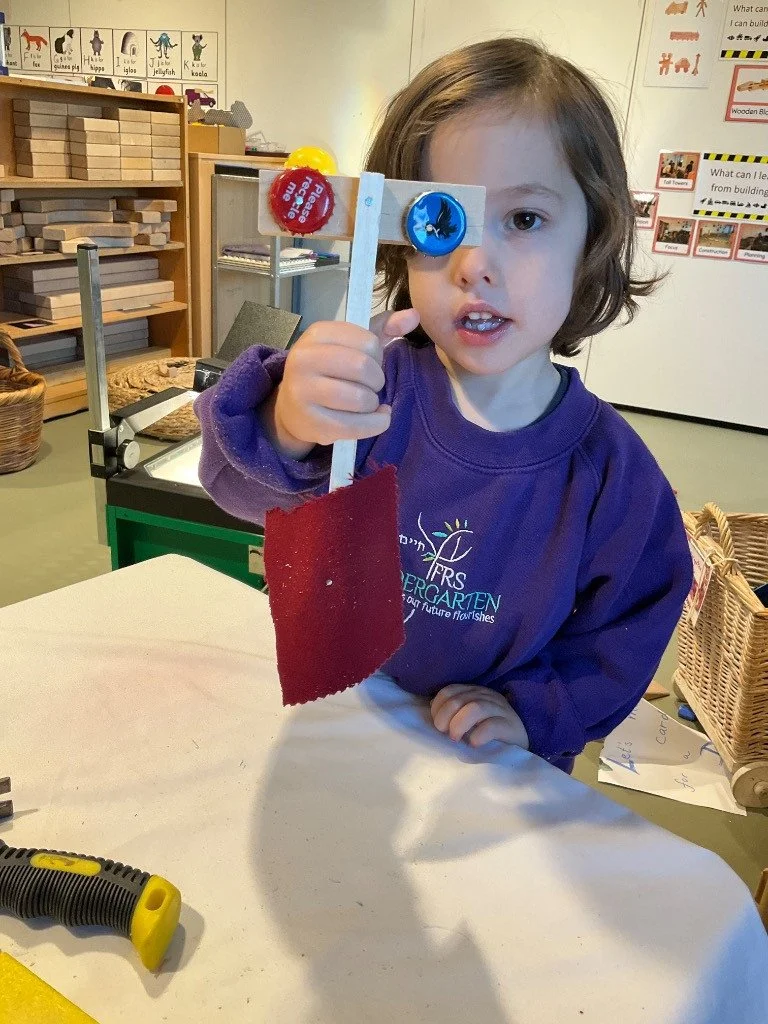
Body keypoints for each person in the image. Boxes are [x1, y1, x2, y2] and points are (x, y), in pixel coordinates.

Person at [196, 38, 692, 772]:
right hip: (345, 729)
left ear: (593, 235)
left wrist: (535, 708)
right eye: (440, 222)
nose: (474, 266)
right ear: (397, 240)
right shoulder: (368, 394)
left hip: (494, 765)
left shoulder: (609, 472)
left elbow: (630, 624)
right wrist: (286, 426)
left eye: (525, 220)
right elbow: (232, 487)